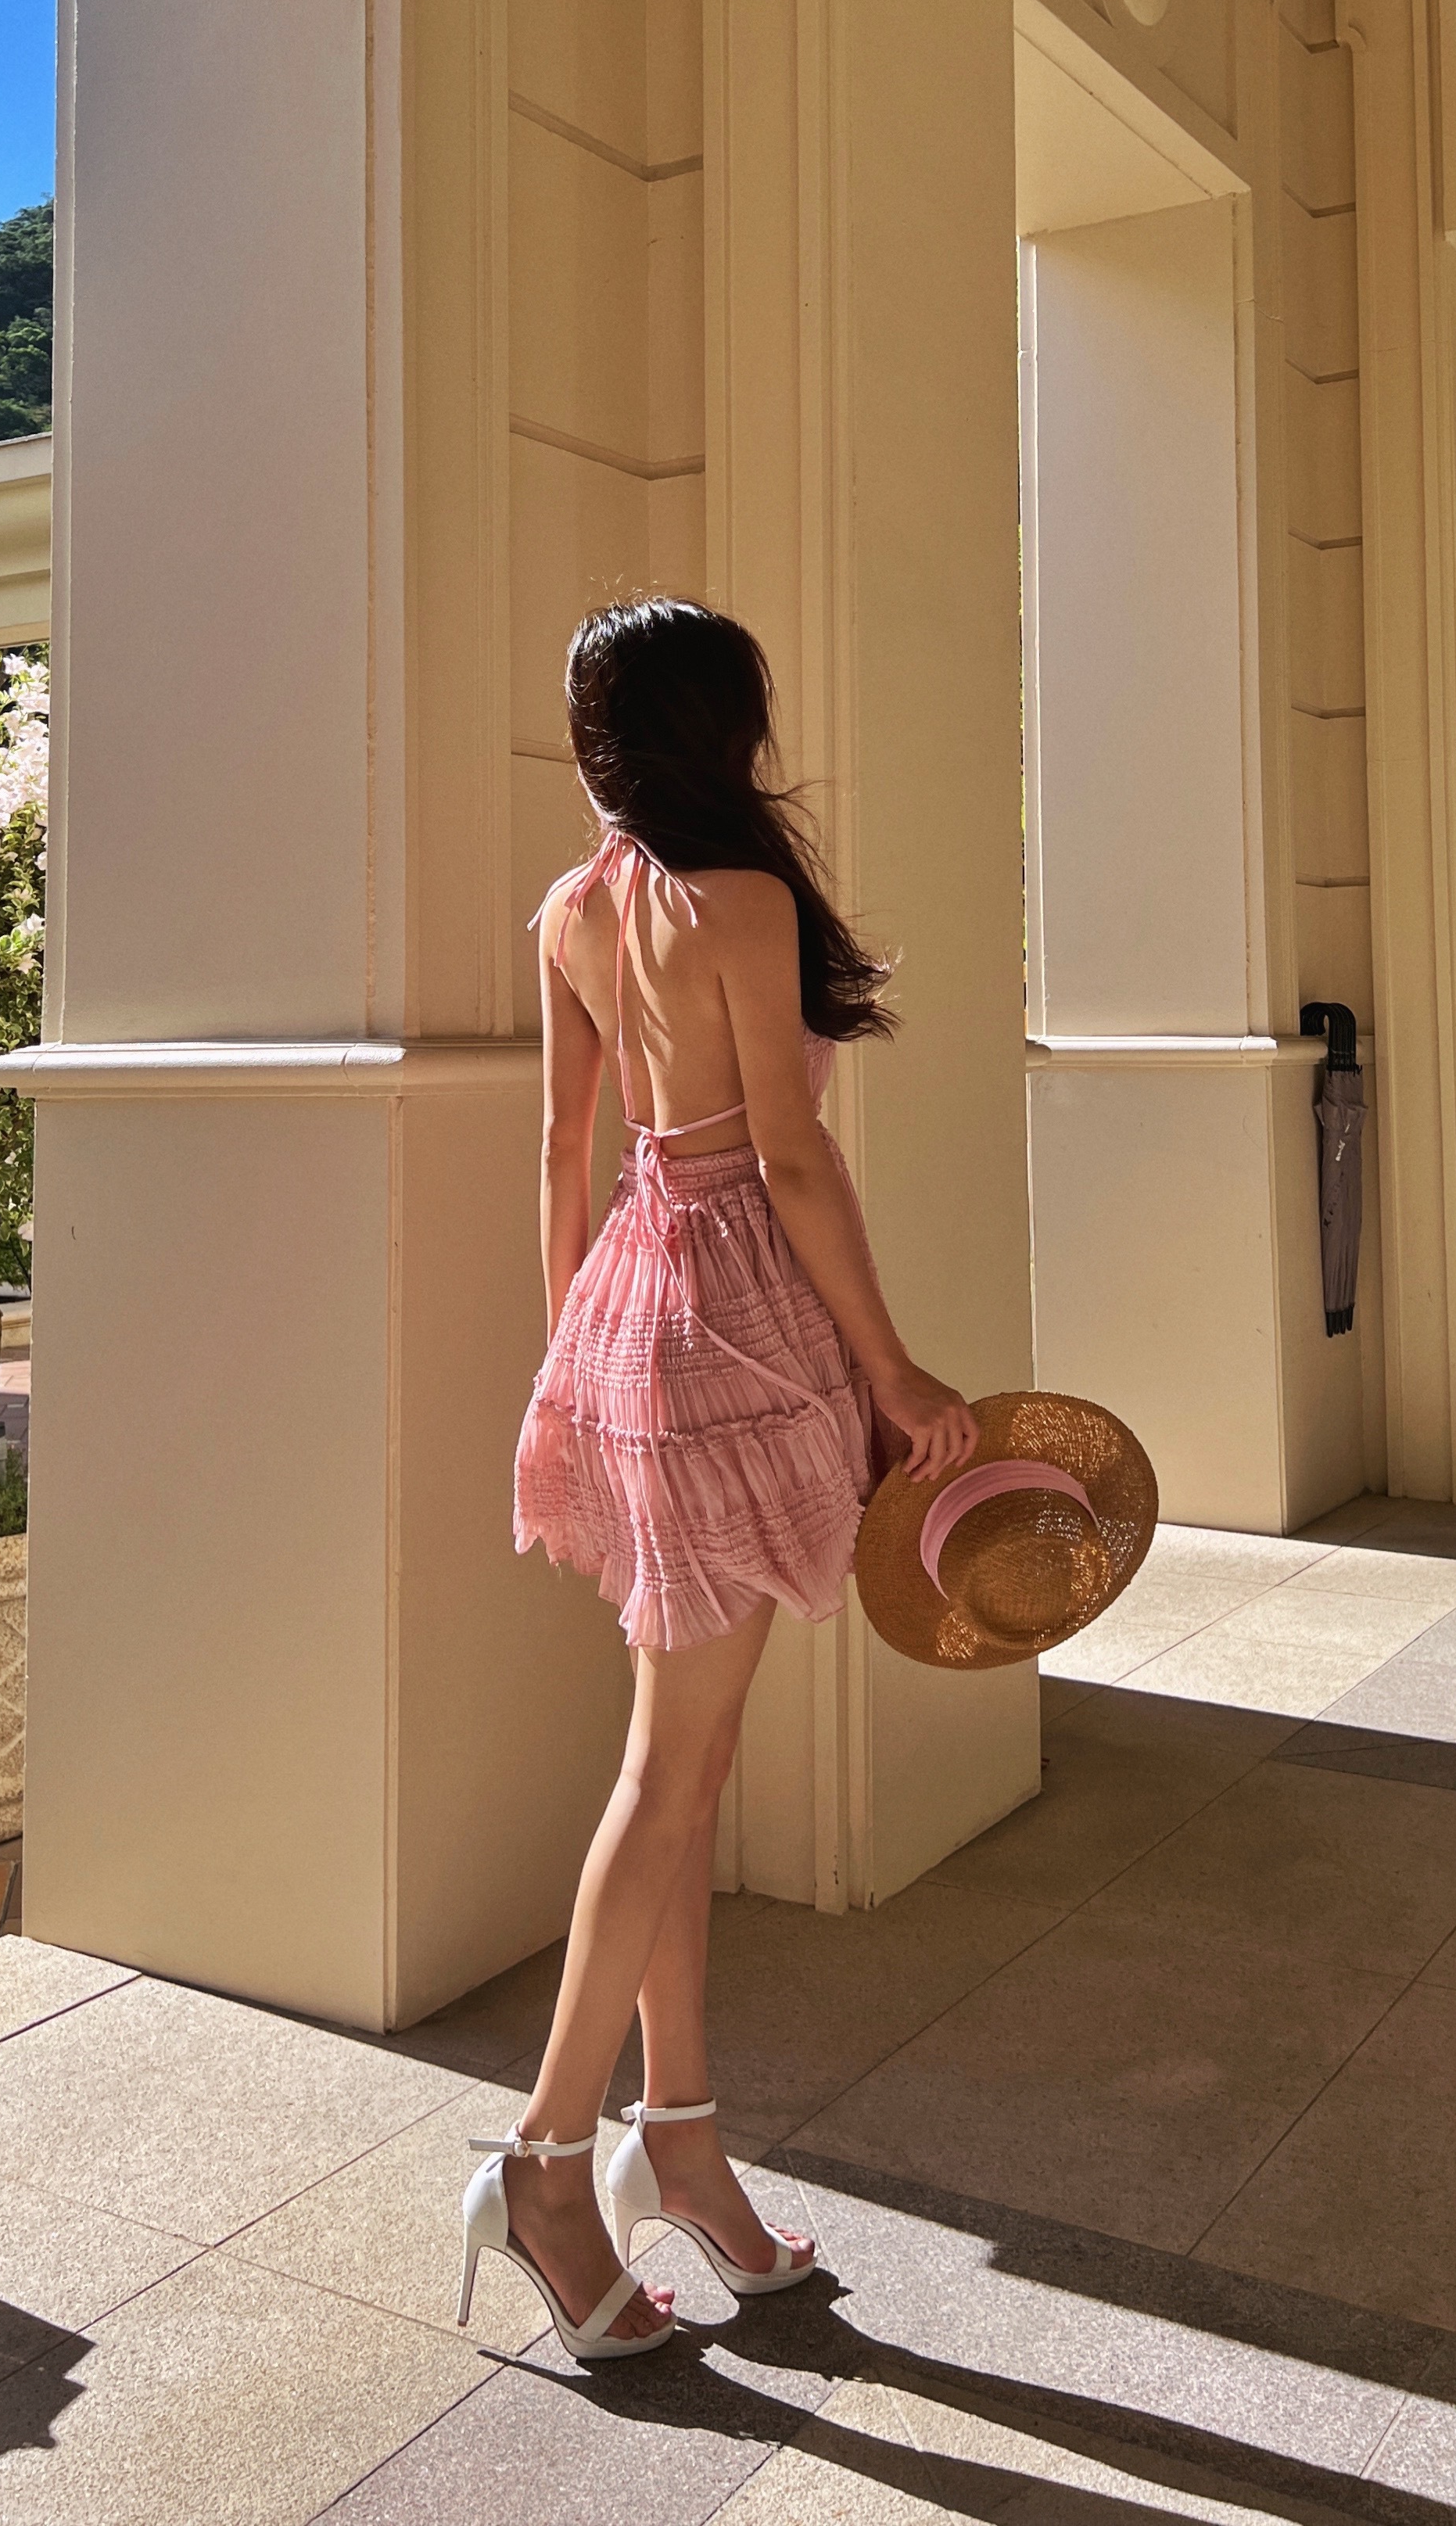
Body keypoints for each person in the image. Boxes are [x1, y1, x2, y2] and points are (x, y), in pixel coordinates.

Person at [457, 599, 979, 2362]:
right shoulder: (735, 898)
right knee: (669, 1773)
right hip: (732, 1318)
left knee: (681, 1766)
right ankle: (544, 2159)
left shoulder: (573, 906)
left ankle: (676, 2135)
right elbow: (791, 1154)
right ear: (723, 725)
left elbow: (562, 1149)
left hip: (626, 1311)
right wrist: (892, 1368)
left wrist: (570, 1361)